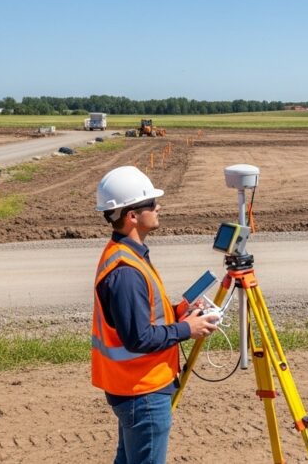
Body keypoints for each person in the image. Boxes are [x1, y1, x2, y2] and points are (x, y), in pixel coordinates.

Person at [92, 165, 218, 464]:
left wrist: (180, 313)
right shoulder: (126, 271)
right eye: (150, 203)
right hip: (142, 391)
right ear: (132, 215)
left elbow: (144, 317)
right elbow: (138, 337)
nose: (158, 207)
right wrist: (187, 329)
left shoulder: (128, 256)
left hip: (134, 388)